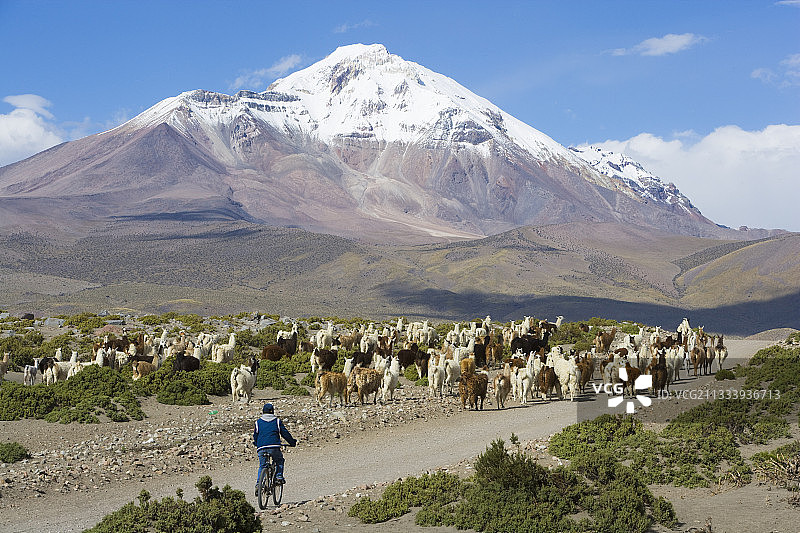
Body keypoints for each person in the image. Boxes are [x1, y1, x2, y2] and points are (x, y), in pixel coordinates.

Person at [253, 402, 297, 495]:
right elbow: (285, 433)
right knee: (279, 460)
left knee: (262, 465)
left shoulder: (258, 422)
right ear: (273, 411)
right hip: (274, 446)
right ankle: (279, 477)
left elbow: (255, 436)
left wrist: (256, 443)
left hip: (261, 448)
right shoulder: (276, 421)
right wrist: (292, 442)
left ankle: (258, 484)